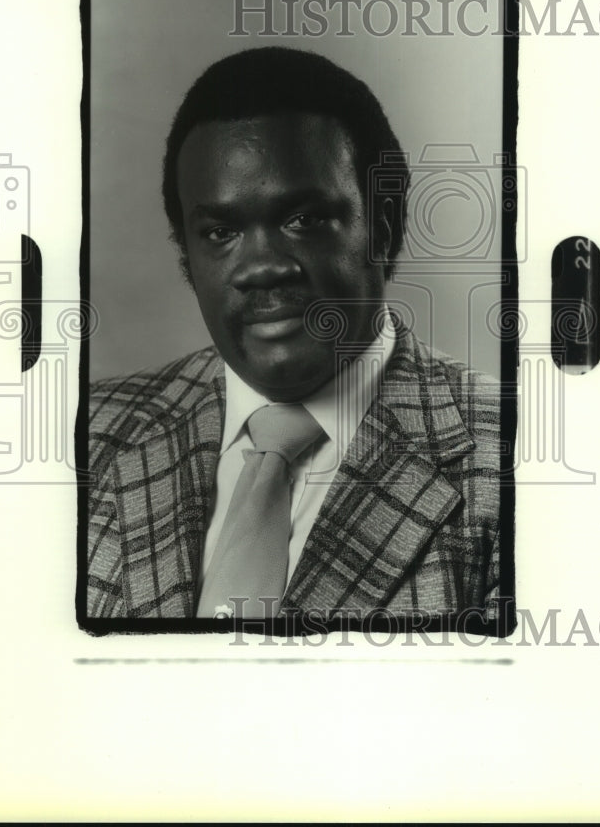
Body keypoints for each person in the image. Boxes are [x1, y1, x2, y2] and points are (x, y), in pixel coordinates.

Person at [86, 47, 501, 624]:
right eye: (220, 231)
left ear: (381, 229)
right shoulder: (90, 439)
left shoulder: (511, 463)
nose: (261, 268)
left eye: (302, 220)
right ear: (187, 257)